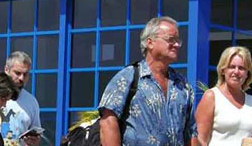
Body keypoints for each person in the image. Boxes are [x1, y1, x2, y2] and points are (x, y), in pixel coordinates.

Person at [99, 16, 197, 146]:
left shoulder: (182, 85)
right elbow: (108, 121)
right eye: (170, 39)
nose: (177, 45)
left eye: (178, 40)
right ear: (150, 43)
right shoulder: (128, 77)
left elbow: (191, 131)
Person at [195, 46, 252, 146]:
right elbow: (200, 140)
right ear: (223, 70)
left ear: (247, 73)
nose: (236, 72)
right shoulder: (212, 96)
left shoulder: (250, 102)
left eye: (242, 68)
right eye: (231, 67)